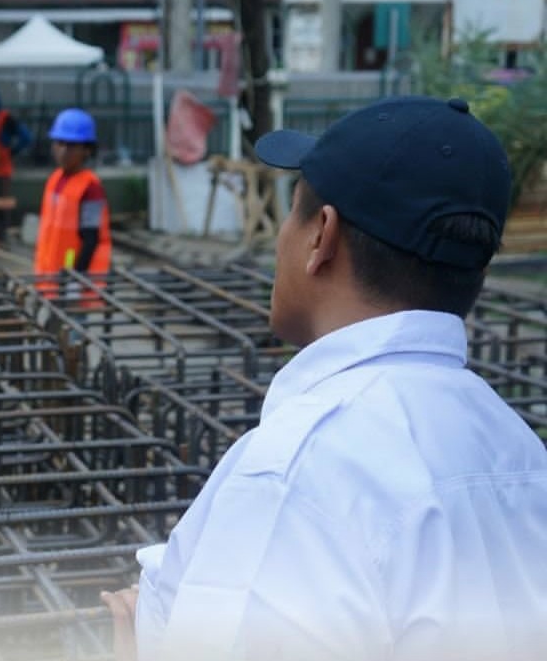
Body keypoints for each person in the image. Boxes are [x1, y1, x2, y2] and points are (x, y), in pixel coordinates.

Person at [102, 96, 547, 660]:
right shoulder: (523, 453)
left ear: (322, 237)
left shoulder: (297, 475)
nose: (283, 236)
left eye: (294, 213)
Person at [33, 108, 112, 304]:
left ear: (86, 150)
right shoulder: (55, 179)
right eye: (59, 143)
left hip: (70, 279)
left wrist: (76, 280)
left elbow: (91, 238)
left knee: (71, 331)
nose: (63, 151)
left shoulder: (91, 188)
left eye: (71, 146)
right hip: (49, 278)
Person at [0, 85, 32, 244]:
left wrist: (12, 152)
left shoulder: (5, 120)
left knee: (1, 206)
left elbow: (26, 138)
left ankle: (1, 236)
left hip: (1, 173)